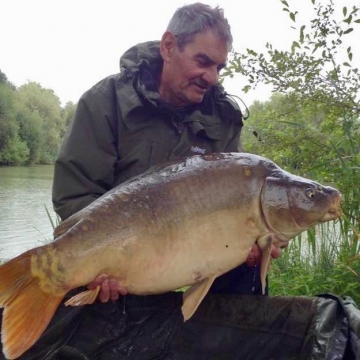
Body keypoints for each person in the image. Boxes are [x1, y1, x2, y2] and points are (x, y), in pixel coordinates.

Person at [2, 3, 356, 360]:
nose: (212, 77)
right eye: (203, 62)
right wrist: (100, 262)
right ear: (169, 46)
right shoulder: (106, 102)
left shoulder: (222, 117)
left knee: (249, 266)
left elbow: (231, 196)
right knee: (72, 299)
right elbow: (74, 196)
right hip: (127, 252)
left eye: (219, 67)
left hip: (191, 254)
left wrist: (252, 247)